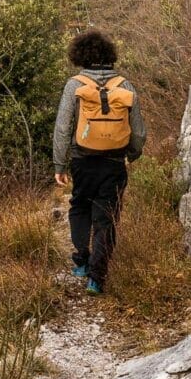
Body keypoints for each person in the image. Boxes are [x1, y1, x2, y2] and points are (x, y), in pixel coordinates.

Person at [52, 30, 145, 295]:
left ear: (79, 55)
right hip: (113, 162)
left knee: (80, 206)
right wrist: (132, 154)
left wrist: (60, 164)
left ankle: (82, 260)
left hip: (82, 160)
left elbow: (62, 127)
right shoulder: (125, 85)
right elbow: (138, 131)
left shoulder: (75, 85)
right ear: (109, 54)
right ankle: (97, 278)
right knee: (107, 217)